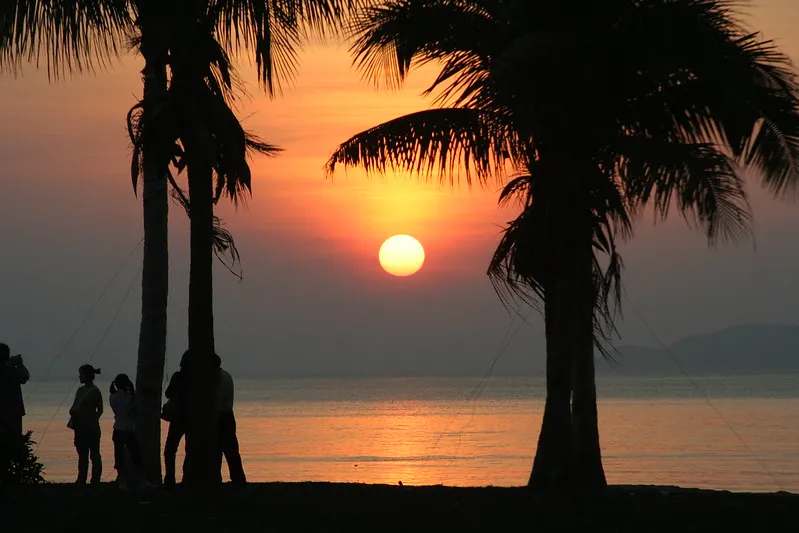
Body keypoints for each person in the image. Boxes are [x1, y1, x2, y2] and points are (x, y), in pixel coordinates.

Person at [68, 364, 103, 485]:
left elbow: (100, 409)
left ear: (86, 375)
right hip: (80, 426)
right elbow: (75, 405)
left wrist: (93, 419)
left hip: (91, 427)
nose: (79, 376)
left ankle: (95, 479)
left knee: (94, 454)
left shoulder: (95, 391)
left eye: (81, 374)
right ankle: (81, 478)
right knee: (82, 455)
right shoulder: (80, 390)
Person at [109, 374, 145, 490]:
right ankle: (141, 481)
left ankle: (122, 482)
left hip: (118, 429)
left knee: (119, 457)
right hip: (128, 430)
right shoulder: (129, 398)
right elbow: (133, 410)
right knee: (136, 456)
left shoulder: (112, 397)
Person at [0, 343, 29, 486]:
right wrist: (19, 364)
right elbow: (25, 376)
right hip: (13, 416)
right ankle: (13, 480)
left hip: (7, 416)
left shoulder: (8, 370)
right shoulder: (11, 371)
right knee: (13, 447)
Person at [215, 354, 246, 486]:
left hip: (220, 416)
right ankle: (238, 478)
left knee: (217, 450)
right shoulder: (227, 376)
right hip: (228, 416)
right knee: (232, 450)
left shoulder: (216, 379)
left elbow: (216, 400)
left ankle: (217, 478)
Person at [163, 351, 188, 488]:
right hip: (192, 417)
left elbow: (168, 393)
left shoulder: (178, 377)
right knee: (190, 450)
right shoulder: (197, 379)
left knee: (170, 450)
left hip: (178, 417)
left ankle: (170, 478)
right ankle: (186, 477)